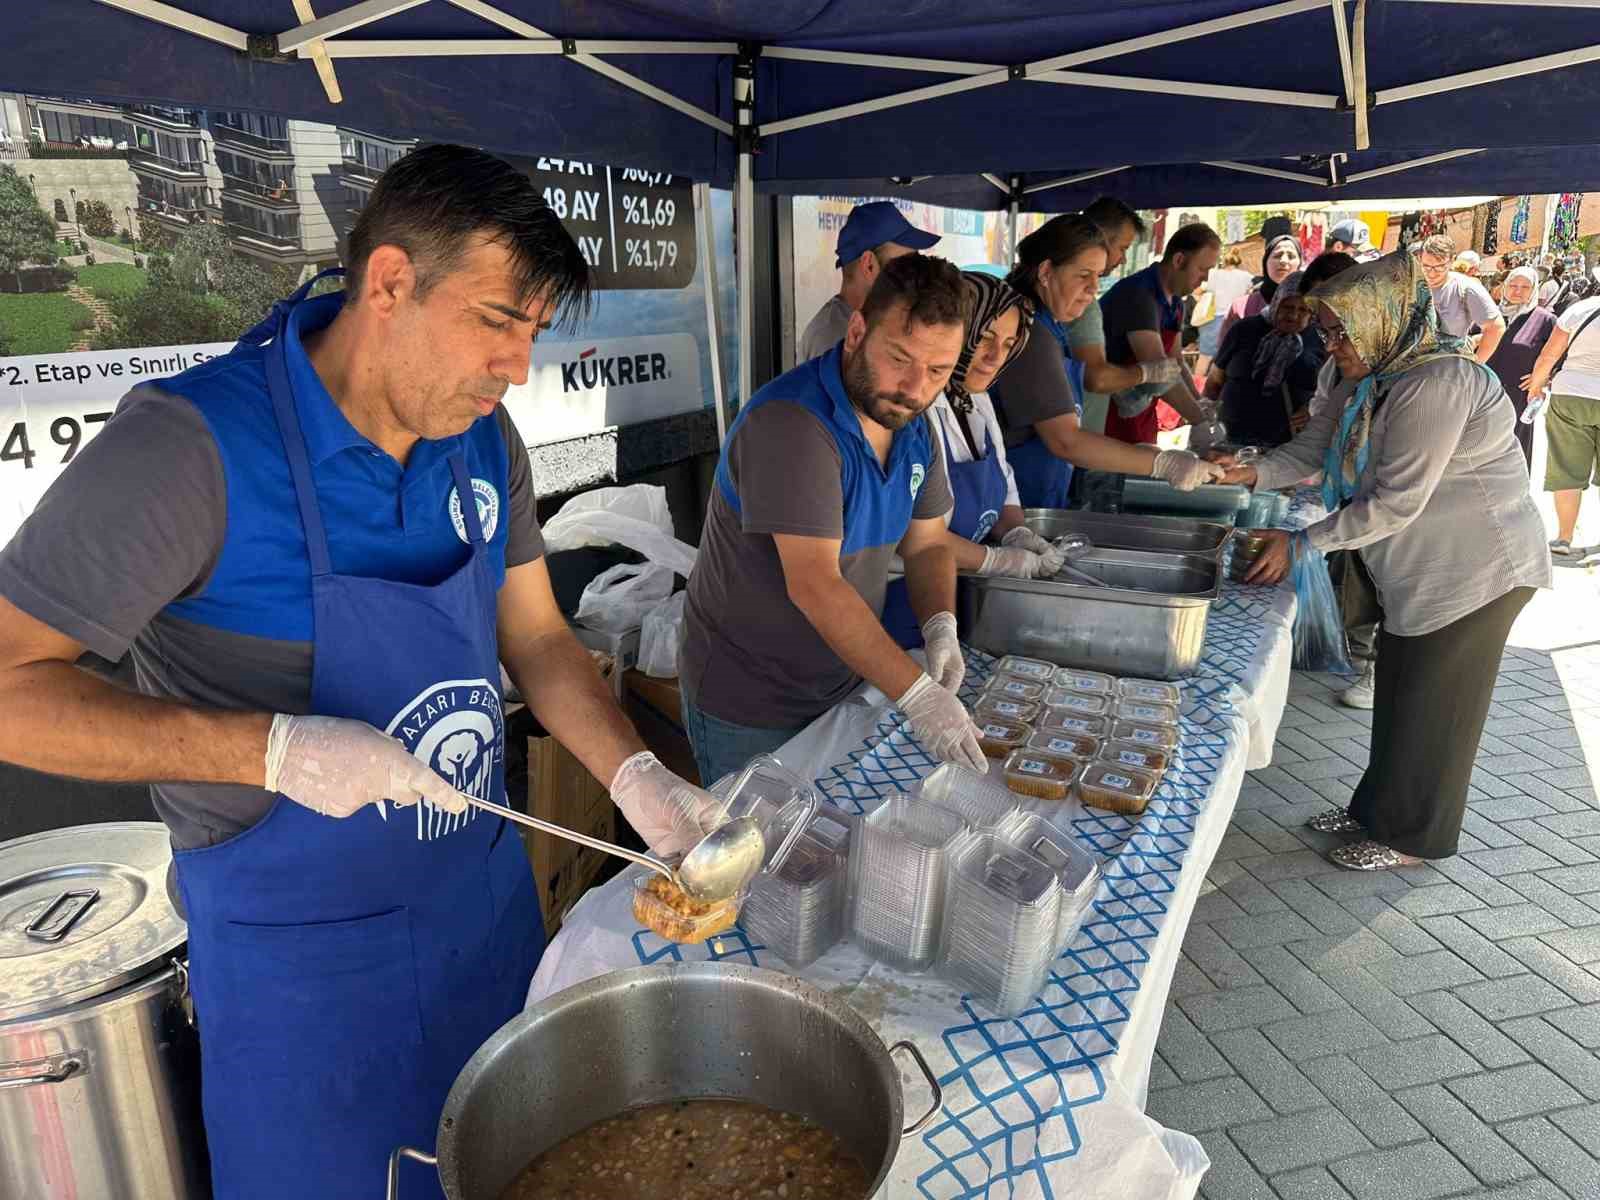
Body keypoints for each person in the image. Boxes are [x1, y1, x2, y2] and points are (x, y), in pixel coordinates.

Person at [0, 145, 719, 1199]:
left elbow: (538, 641)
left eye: (533, 333)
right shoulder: (191, 447)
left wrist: (635, 779)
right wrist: (272, 749)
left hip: (484, 920)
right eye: (496, 321)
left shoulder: (483, 440)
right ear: (388, 282)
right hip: (306, 984)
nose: (517, 367)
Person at [1224, 252, 1548, 870]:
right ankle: (1376, 809)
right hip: (1421, 569)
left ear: (1385, 318)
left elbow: (1395, 502)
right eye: (1328, 331)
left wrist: (1302, 543)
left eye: (1342, 330)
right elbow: (1313, 450)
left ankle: (1414, 839)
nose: (1332, 343)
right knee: (1402, 691)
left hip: (1478, 571)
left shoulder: (1439, 383)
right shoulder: (1373, 375)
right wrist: (1249, 473)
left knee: (1437, 707)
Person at [680, 253, 985, 785]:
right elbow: (817, 585)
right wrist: (915, 694)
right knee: (759, 857)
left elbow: (929, 545)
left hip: (840, 679)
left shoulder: (913, 425)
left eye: (937, 371)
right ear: (857, 331)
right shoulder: (792, 425)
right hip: (752, 699)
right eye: (900, 358)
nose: (915, 388)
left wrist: (941, 625)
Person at [879, 271, 1071, 645]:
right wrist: (997, 560)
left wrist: (1017, 533)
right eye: (984, 337)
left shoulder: (977, 400)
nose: (994, 356)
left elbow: (1005, 488)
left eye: (1009, 343)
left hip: (961, 593)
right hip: (898, 596)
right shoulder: (913, 410)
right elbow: (913, 536)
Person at [987, 216, 1221, 509]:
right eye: (1084, 275)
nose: (1093, 288)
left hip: (1039, 488)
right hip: (1017, 493)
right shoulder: (1032, 333)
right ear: (1046, 272)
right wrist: (1161, 463)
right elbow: (1066, 441)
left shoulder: (1052, 326)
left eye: (1098, 276)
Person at [1097, 222, 1220, 445]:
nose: (1205, 278)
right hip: (1107, 413)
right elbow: (1158, 374)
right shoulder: (1140, 294)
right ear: (1179, 260)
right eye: (1202, 269)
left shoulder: (1176, 303)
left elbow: (1176, 362)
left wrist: (1198, 401)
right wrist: (1197, 419)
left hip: (1142, 412)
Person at [1063, 197, 1180, 397]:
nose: (1124, 259)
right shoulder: (1083, 301)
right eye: (1123, 248)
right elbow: (1095, 377)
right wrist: (1144, 373)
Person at [797, 200, 940, 361]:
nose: (912, 273)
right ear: (869, 265)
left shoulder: (866, 321)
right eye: (905, 264)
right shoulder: (833, 337)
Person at [1203, 271, 1326, 447]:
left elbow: (1328, 392)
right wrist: (1203, 423)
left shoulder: (1318, 339)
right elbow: (1215, 381)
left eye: (1303, 310)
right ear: (1276, 302)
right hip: (1231, 438)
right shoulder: (1244, 330)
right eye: (1288, 307)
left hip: (1286, 447)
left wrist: (1311, 410)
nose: (1293, 316)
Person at [1523, 285, 1600, 556]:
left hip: (1572, 394)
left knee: (1567, 467)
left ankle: (1564, 539)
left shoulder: (1580, 309)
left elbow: (1549, 355)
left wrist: (1536, 385)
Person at [1485, 265, 1558, 469]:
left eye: (1525, 287)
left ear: (1535, 289)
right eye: (1513, 285)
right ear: (1505, 286)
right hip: (1484, 392)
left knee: (1514, 445)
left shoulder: (1544, 319)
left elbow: (1559, 355)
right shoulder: (1490, 315)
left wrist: (1543, 378)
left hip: (1519, 394)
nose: (1517, 291)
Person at [1416, 234, 1505, 363]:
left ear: (1452, 261)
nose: (1432, 273)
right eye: (1426, 266)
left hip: (1448, 367)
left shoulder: (1466, 288)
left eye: (1440, 267)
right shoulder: (1410, 285)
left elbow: (1496, 328)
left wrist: (1476, 365)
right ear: (1419, 259)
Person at [1217, 232, 1303, 345]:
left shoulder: (1311, 306)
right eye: (1277, 255)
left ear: (1299, 264)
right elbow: (1223, 351)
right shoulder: (1240, 307)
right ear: (1265, 262)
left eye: (1291, 256)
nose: (1283, 261)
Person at [1195, 248, 1254, 376]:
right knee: (1228, 358)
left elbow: (1197, 291)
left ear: (1224, 261)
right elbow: (1252, 293)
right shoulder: (1247, 277)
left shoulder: (1212, 274)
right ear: (1239, 262)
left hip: (1212, 319)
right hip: (1235, 319)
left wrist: (1204, 300)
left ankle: (1196, 390)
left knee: (1205, 357)